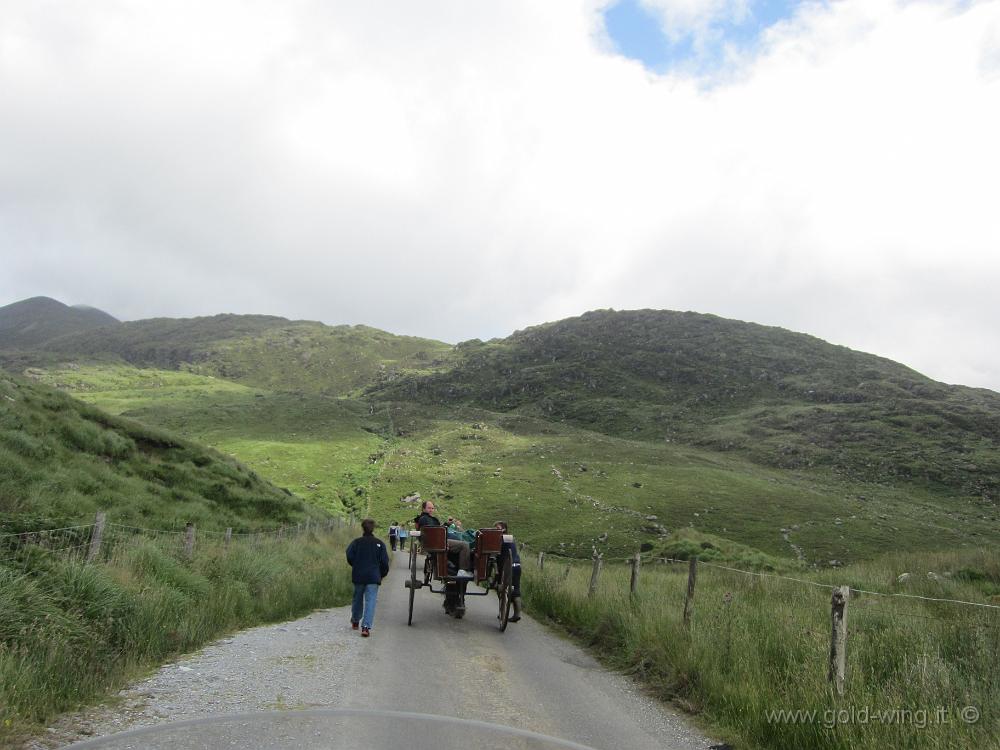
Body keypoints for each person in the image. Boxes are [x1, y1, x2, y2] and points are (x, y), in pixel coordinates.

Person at [345, 518, 391, 637]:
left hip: (359, 575)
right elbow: (385, 562)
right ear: (373, 528)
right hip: (373, 576)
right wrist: (381, 574)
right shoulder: (380, 544)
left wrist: (355, 565)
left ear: (362, 528)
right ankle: (366, 627)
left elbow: (349, 555)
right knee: (370, 601)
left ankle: (355, 621)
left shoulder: (356, 542)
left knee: (357, 598)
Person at [415, 500, 473, 578]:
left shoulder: (431, 519)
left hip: (439, 541)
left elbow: (439, 528)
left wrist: (446, 524)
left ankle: (454, 567)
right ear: (423, 509)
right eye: (429, 508)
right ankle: (462, 570)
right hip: (438, 543)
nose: (431, 510)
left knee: (460, 541)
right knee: (465, 545)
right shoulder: (424, 519)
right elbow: (433, 532)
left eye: (432, 508)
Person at [496, 521, 522, 623]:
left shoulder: (503, 538)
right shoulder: (510, 538)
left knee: (502, 588)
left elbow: (501, 556)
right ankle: (517, 614)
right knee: (515, 589)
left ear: (504, 529)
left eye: (498, 528)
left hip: (509, 567)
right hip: (517, 565)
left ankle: (503, 612)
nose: (496, 530)